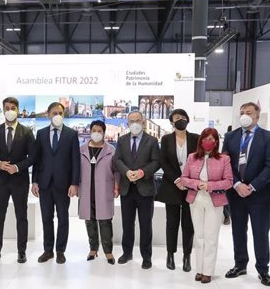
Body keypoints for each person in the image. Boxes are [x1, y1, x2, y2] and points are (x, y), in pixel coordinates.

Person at [222, 102, 270, 286]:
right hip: (236, 193)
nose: (244, 115)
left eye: (248, 112)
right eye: (242, 112)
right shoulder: (230, 136)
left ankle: (263, 269)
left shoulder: (269, 138)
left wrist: (252, 186)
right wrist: (237, 184)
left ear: (257, 116)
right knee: (238, 230)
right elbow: (226, 162)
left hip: (259, 195)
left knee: (260, 233)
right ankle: (240, 264)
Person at [0, 96, 36, 264]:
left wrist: (17, 167)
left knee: (21, 216)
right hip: (0, 180)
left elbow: (33, 157)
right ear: (3, 110)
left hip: (20, 180)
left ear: (17, 110)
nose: (10, 110)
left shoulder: (27, 132)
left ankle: (21, 251)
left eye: (13, 107)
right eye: (7, 107)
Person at [181, 128, 233, 283]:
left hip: (214, 201)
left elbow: (229, 181)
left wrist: (210, 185)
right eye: (205, 138)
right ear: (201, 141)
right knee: (199, 236)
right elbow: (184, 178)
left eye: (211, 139)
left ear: (216, 142)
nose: (208, 142)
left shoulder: (224, 159)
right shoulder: (192, 157)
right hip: (196, 199)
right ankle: (199, 269)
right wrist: (197, 184)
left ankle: (208, 271)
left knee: (211, 237)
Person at [32, 102, 80, 264]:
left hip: (63, 184)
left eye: (60, 112)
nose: (57, 115)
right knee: (46, 218)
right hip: (44, 184)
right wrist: (35, 181)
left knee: (63, 219)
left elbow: (76, 161)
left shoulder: (71, 134)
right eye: (54, 113)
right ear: (48, 114)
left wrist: (74, 183)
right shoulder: (41, 133)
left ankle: (60, 251)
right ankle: (48, 250)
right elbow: (37, 160)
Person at [114, 110, 161, 269]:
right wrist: (126, 172)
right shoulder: (122, 140)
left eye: (137, 121)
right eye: (131, 121)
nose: (134, 124)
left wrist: (142, 172)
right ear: (127, 123)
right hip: (127, 188)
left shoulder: (152, 141)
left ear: (143, 121)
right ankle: (127, 253)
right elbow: (117, 160)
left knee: (145, 224)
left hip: (145, 189)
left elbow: (156, 162)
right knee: (127, 224)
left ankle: (146, 257)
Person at [157, 108, 199, 272]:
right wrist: (176, 179)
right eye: (176, 118)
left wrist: (187, 180)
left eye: (182, 117)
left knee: (188, 223)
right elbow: (163, 161)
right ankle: (170, 254)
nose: (180, 119)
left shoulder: (195, 138)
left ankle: (187, 255)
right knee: (172, 223)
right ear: (172, 122)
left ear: (187, 119)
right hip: (172, 186)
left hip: (190, 186)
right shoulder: (166, 138)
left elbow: (199, 160)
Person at [78, 120, 119, 264]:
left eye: (99, 131)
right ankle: (93, 249)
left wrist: (116, 186)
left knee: (105, 221)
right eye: (94, 130)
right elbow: (76, 170)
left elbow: (116, 171)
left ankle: (108, 252)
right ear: (90, 131)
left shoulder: (111, 150)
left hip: (104, 189)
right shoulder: (81, 149)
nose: (96, 133)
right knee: (90, 221)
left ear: (104, 132)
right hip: (86, 189)